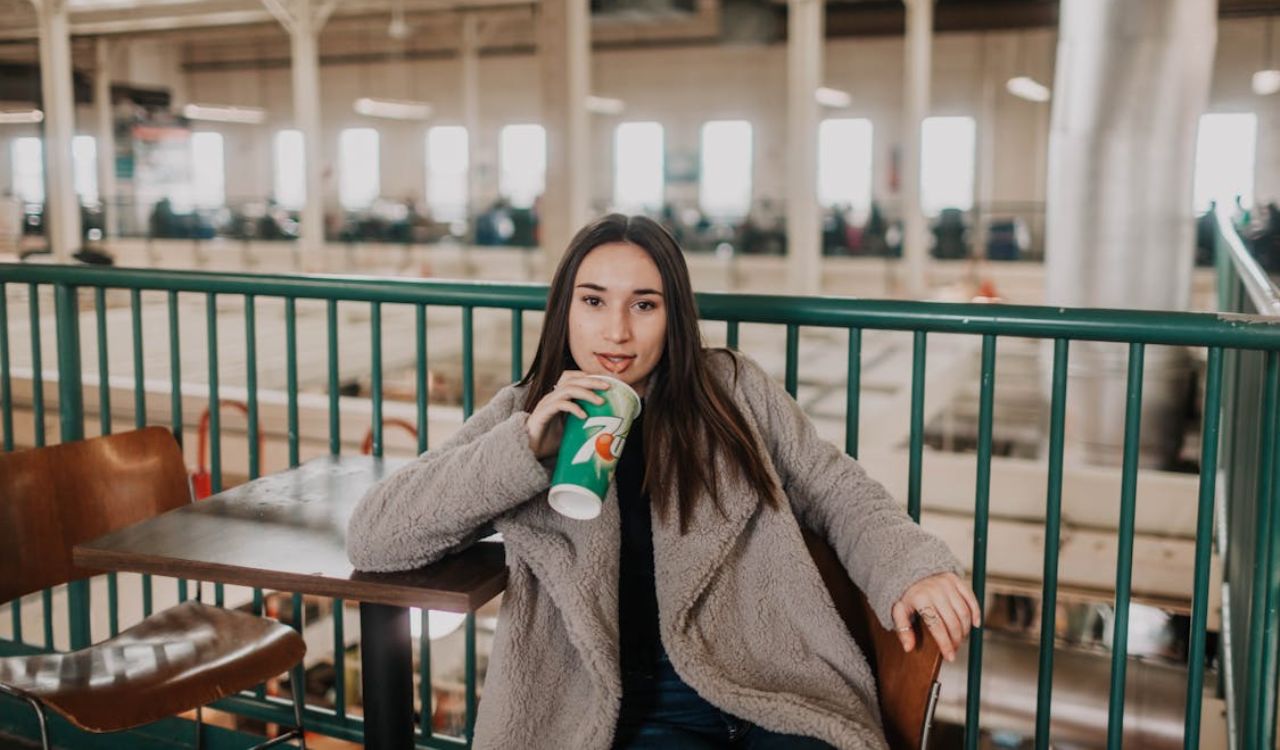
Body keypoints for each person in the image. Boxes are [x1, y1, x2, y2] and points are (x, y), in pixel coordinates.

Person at [347, 214, 981, 750]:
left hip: (769, 690)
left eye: (643, 305)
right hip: (621, 714)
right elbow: (378, 535)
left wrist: (909, 564)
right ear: (565, 309)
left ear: (672, 314)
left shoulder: (730, 391)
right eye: (593, 301)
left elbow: (834, 487)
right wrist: (524, 449)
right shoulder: (526, 415)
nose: (617, 331)